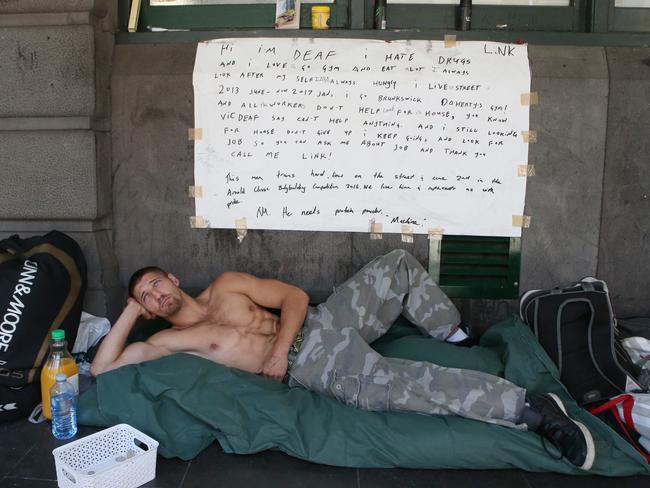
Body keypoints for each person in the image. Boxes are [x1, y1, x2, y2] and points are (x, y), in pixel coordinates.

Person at [91, 249, 595, 470]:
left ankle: (457, 337)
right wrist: (130, 313)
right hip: (313, 364)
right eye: (144, 297)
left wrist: (285, 344)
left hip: (320, 325)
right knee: (399, 386)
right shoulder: (169, 342)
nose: (154, 295)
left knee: (395, 266)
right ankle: (530, 409)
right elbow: (102, 369)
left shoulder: (227, 285)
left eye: (155, 283)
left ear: (173, 279)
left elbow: (292, 297)